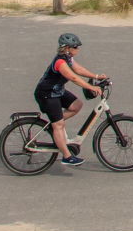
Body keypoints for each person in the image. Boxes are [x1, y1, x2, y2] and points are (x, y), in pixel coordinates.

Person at [35, 31, 103, 164]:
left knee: (76, 105)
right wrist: (91, 87)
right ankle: (67, 156)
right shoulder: (60, 62)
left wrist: (95, 76)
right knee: (59, 124)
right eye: (75, 47)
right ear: (67, 48)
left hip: (57, 91)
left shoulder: (68, 58)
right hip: (47, 94)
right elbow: (73, 78)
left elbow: (78, 70)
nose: (77, 49)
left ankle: (54, 123)